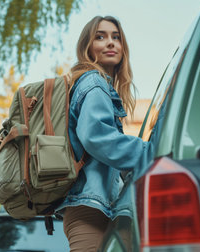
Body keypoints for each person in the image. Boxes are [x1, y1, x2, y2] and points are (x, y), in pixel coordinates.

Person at [56, 16, 155, 251]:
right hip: (90, 210)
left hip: (95, 207)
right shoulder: (94, 82)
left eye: (116, 37)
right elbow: (96, 137)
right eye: (100, 37)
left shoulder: (98, 85)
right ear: (87, 47)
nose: (110, 43)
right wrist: (152, 151)